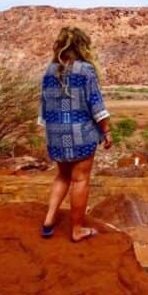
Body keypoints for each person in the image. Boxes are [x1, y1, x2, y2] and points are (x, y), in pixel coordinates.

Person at [38, 26, 113, 240]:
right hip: (81, 134)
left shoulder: (50, 70)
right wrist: (106, 130)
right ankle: (77, 229)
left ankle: (48, 221)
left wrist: (52, 128)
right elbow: (96, 104)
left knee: (62, 175)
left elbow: (44, 104)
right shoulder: (85, 70)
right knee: (80, 180)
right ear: (82, 45)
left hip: (56, 133)